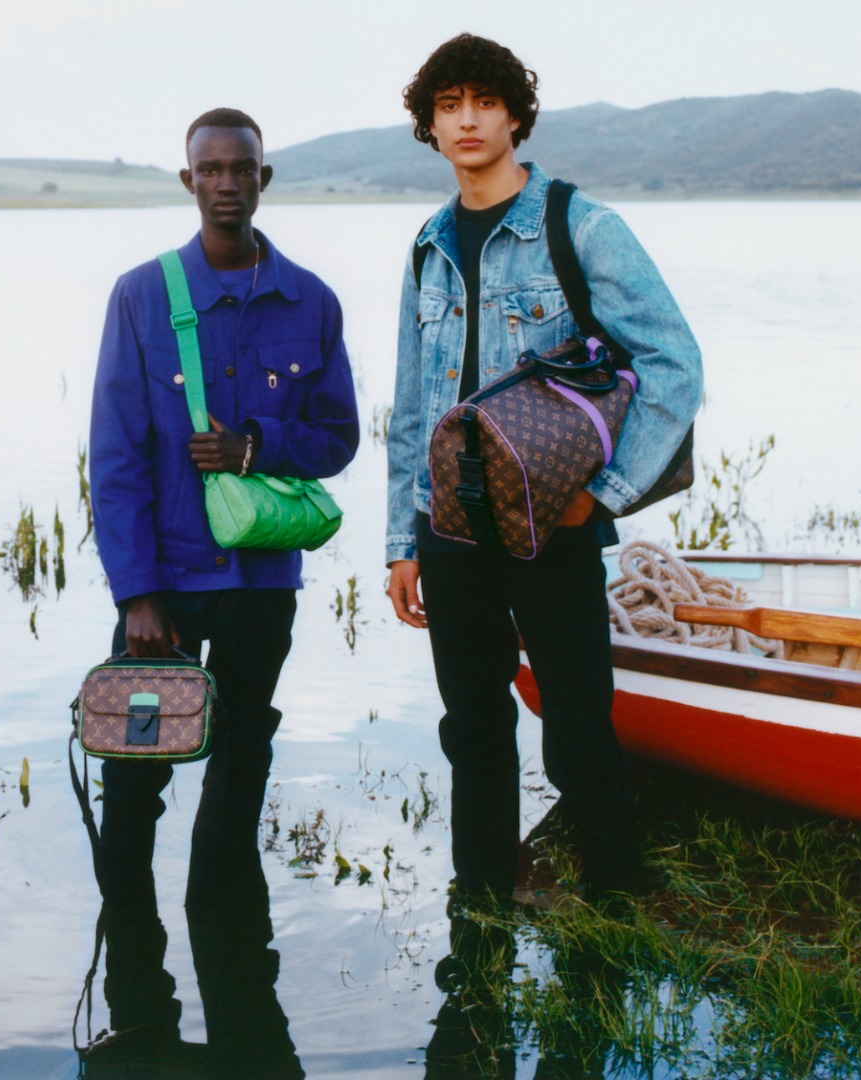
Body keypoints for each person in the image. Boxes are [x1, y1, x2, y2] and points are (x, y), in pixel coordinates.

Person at [383, 34, 703, 904]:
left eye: (483, 100)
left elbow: (674, 362)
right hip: (450, 528)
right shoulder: (428, 244)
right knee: (474, 725)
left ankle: (614, 894)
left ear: (515, 114)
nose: (468, 120)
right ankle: (480, 903)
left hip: (552, 520)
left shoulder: (579, 224)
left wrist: (604, 492)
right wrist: (401, 541)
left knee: (576, 723)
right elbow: (414, 406)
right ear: (432, 127)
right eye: (448, 106)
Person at [88, 108, 359, 937]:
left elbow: (338, 438)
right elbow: (116, 456)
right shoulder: (141, 296)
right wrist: (137, 593)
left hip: (261, 591)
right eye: (210, 171)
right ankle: (130, 941)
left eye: (242, 169)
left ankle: (222, 929)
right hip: (162, 594)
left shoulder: (310, 301)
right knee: (134, 770)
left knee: (243, 761)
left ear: (263, 179)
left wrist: (256, 447)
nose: (227, 185)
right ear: (188, 181)